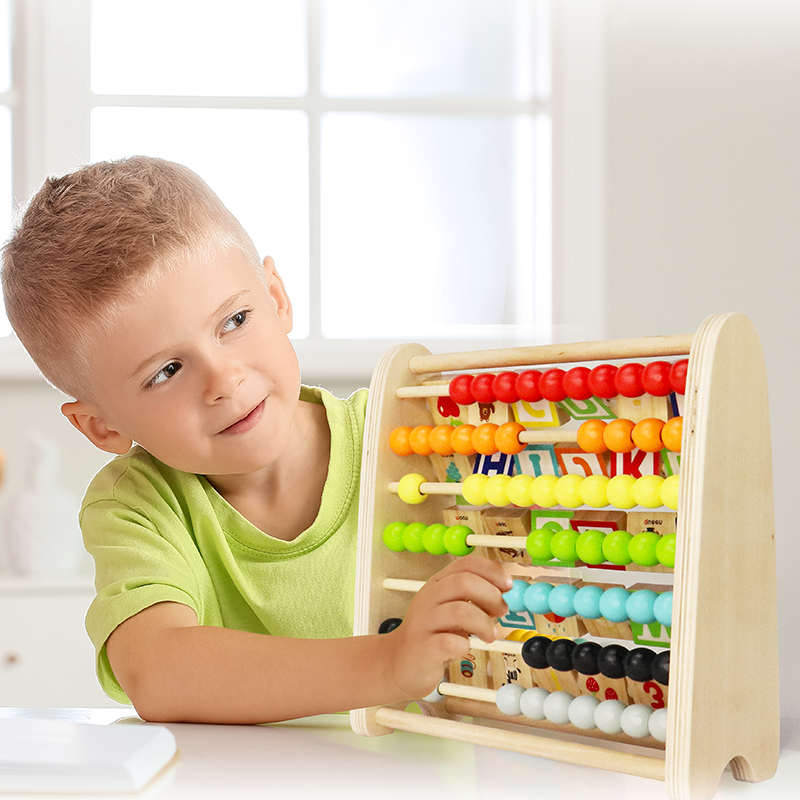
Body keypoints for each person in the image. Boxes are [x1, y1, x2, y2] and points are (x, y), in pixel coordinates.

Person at [1, 156, 511, 723]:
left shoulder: (409, 441)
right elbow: (157, 670)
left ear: (276, 296)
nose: (224, 380)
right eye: (166, 371)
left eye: (234, 321)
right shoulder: (138, 506)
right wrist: (387, 664)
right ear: (105, 427)